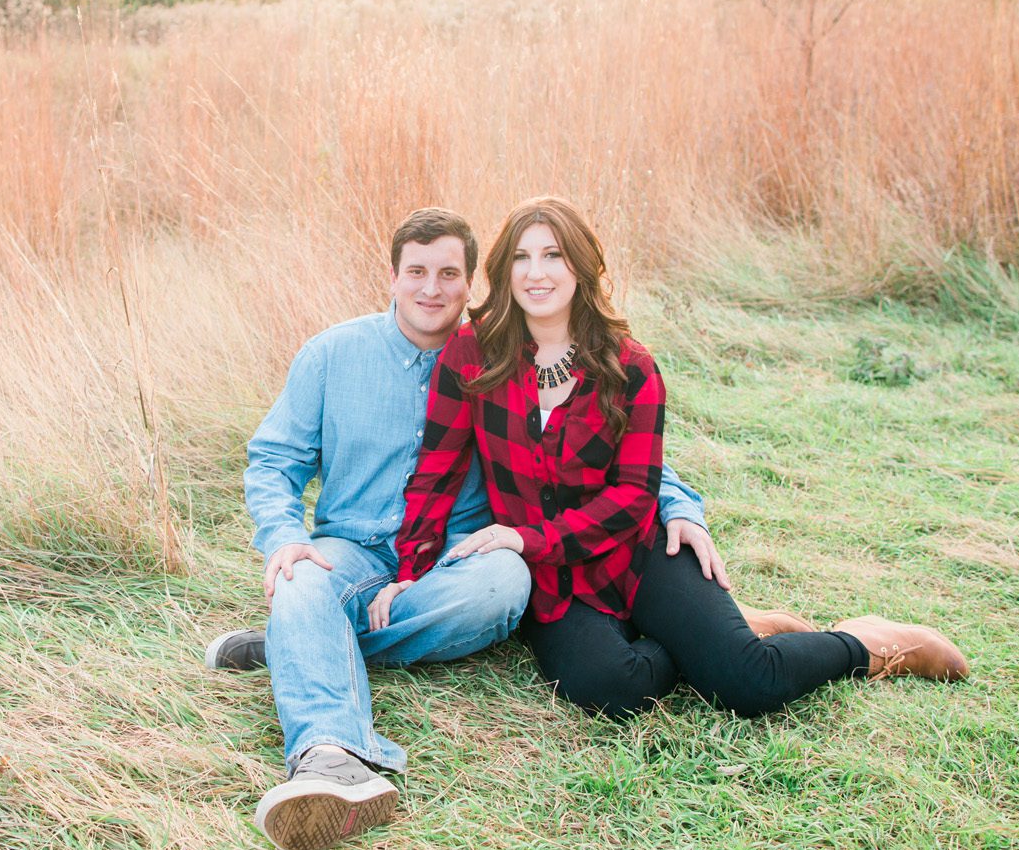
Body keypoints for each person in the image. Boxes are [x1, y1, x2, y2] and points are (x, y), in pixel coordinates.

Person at [207, 208, 807, 850]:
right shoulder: (332, 353)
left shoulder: (502, 355)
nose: (431, 288)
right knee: (301, 576)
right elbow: (273, 459)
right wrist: (282, 535)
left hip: (462, 555)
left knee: (506, 582)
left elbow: (601, 448)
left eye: (448, 274)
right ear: (392, 276)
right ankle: (331, 758)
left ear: (470, 285)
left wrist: (680, 504)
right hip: (349, 545)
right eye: (416, 272)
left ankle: (303, 642)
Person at [386, 196, 969, 730]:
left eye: (553, 255)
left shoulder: (630, 366)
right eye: (521, 257)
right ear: (504, 271)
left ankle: (865, 644)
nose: (536, 273)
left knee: (749, 682)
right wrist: (410, 573)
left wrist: (524, 539)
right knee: (609, 686)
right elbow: (435, 472)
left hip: (634, 552)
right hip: (552, 580)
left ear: (582, 266)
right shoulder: (473, 352)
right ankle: (720, 631)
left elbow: (635, 497)